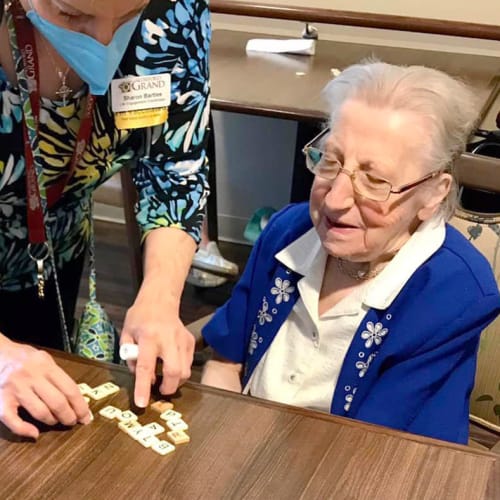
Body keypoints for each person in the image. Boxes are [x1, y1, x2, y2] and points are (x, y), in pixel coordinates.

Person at [201, 61, 500, 444]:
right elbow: (226, 360)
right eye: (330, 161)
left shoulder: (452, 292)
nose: (336, 199)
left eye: (374, 180)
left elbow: (378, 447)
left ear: (433, 193)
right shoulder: (287, 233)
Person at [0, 0, 210, 438]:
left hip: (52, 262)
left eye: (130, 14)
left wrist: (160, 293)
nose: (104, 39)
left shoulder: (173, 11)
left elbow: (174, 164)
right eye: (72, 15)